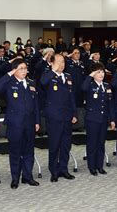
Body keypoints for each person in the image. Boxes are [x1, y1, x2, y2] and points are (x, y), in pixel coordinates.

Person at [0, 58, 41, 189]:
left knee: (29, 151)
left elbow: (35, 104)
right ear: (14, 70)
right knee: (15, 152)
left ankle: (27, 176)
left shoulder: (31, 83)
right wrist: (10, 73)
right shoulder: (9, 82)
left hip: (30, 123)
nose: (24, 71)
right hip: (15, 123)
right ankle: (15, 178)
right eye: (21, 68)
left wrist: (37, 121)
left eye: (25, 68)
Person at [40, 53, 77, 182]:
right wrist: (53, 70)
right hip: (54, 116)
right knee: (54, 145)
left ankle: (63, 169)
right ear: (52, 63)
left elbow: (71, 97)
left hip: (67, 116)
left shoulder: (68, 76)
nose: (62, 65)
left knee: (66, 145)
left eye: (63, 62)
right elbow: (42, 82)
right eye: (59, 62)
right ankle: (54, 171)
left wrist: (74, 114)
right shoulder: (48, 75)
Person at [82, 63, 115, 176]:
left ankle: (99, 166)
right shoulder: (90, 85)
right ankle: (92, 167)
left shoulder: (107, 86)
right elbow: (83, 88)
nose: (101, 74)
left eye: (102, 72)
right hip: (92, 119)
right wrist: (91, 75)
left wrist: (112, 119)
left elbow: (110, 104)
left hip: (103, 119)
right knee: (92, 144)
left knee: (101, 143)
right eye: (98, 72)